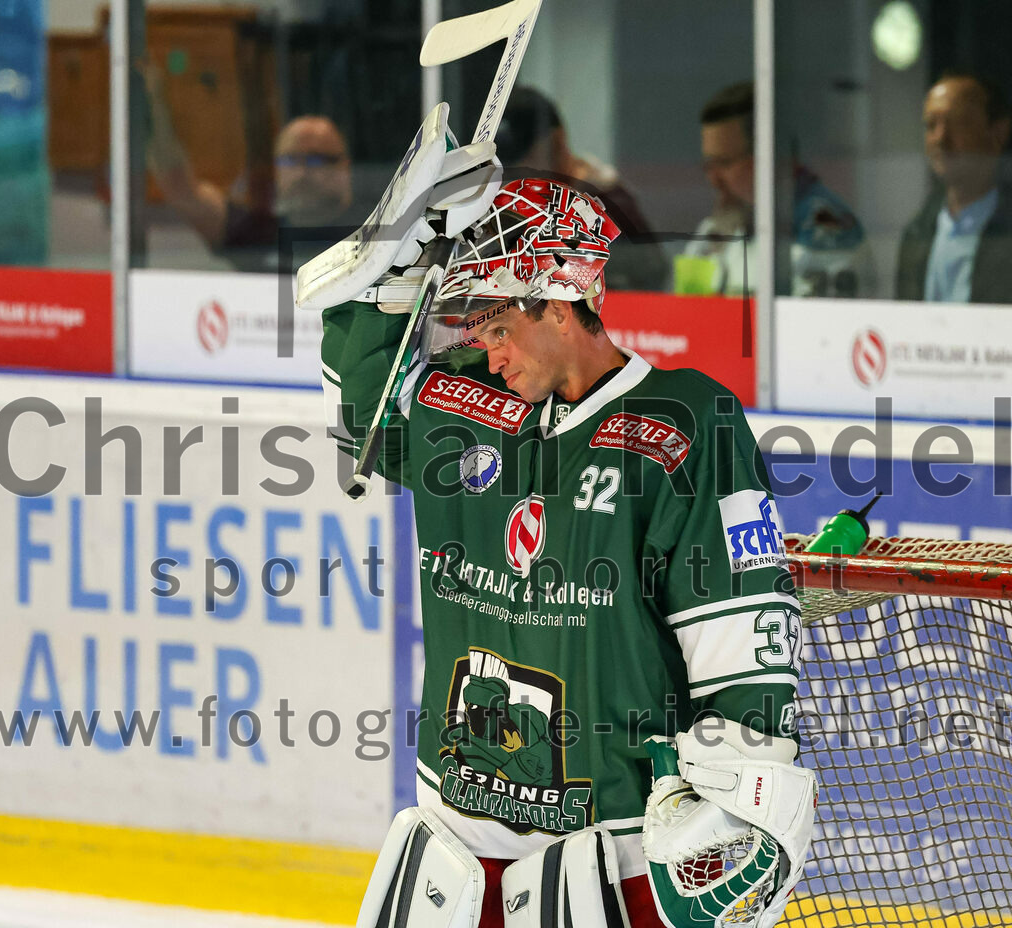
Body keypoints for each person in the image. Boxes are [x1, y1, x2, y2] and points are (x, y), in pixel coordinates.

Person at [321, 177, 816, 926]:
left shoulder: (683, 423)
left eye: (497, 329)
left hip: (617, 850)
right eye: (477, 334)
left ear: (557, 305)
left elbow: (740, 628)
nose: (487, 355)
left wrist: (737, 790)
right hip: (458, 846)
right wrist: (393, 261)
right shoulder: (461, 403)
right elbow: (366, 421)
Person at [143, 59, 361, 271]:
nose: (302, 172)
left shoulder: (371, 231)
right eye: (290, 160)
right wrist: (154, 103)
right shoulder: (256, 230)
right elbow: (181, 190)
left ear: (345, 167)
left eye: (316, 159)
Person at [682, 81, 869, 297]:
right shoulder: (723, 223)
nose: (713, 179)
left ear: (770, 158)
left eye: (724, 163)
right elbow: (688, 307)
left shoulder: (822, 229)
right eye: (708, 165)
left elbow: (809, 315)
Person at [495, 86, 670, 291]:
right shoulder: (517, 202)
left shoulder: (605, 198)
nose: (518, 180)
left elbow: (652, 271)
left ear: (556, 143)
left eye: (526, 164)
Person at [896, 71, 1012, 303]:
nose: (940, 138)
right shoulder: (917, 233)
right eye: (931, 125)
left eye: (958, 123)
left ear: (998, 132)